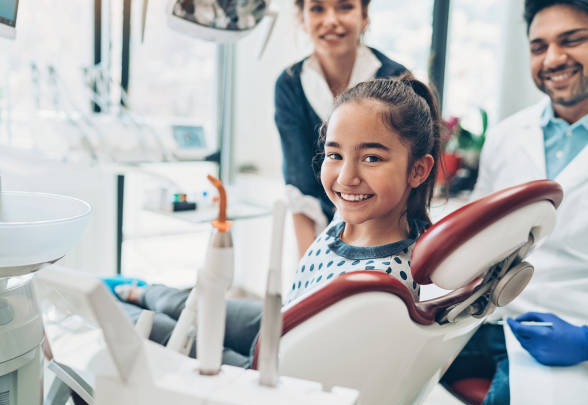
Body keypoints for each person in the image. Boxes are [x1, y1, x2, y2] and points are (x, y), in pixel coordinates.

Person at [106, 73, 440, 369]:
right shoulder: (354, 217)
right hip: (280, 325)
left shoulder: (383, 283)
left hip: (274, 368)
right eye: (334, 155)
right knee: (182, 302)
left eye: (371, 158)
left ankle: (113, 302)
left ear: (418, 170)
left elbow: (325, 367)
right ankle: (134, 289)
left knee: (147, 326)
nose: (346, 177)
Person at [441, 1, 588, 405]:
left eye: (572, 41)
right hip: (490, 321)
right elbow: (478, 242)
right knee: (374, 368)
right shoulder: (505, 136)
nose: (553, 58)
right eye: (539, 47)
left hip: (583, 336)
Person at [275, 0, 408, 257]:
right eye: (317, 9)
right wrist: (309, 269)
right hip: (317, 238)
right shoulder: (290, 84)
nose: (331, 20)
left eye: (344, 7)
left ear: (364, 15)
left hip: (383, 239)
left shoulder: (395, 80)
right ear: (302, 17)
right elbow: (299, 186)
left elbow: (401, 185)